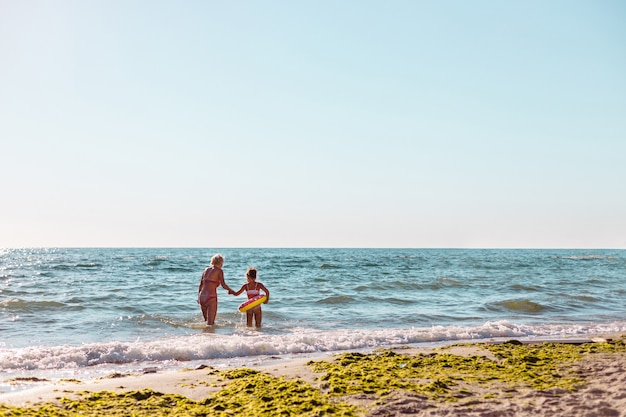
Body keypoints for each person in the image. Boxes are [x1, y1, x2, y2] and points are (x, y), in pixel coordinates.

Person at [198, 254, 234, 326]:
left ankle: (205, 336)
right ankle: (211, 336)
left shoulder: (206, 270)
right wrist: (231, 291)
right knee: (210, 324)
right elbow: (223, 285)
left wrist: (198, 297)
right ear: (221, 262)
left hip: (202, 297)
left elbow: (200, 285)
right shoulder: (219, 271)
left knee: (206, 322)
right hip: (211, 297)